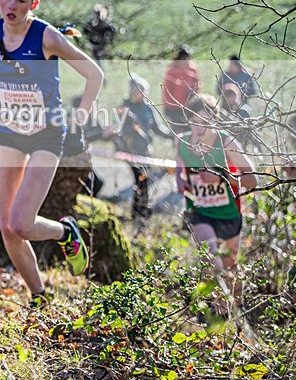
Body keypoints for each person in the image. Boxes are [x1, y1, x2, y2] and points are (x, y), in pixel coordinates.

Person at [0, 0, 103, 307]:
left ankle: (65, 232)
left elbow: (94, 74)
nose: (12, 5)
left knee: (22, 222)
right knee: (7, 228)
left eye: (21, 0)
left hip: (47, 134)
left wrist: (79, 121)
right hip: (10, 133)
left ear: (34, 3)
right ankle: (40, 297)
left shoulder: (46, 37)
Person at [175, 94, 256, 316]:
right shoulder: (181, 141)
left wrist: (222, 178)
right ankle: (220, 312)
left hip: (229, 213)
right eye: (195, 121)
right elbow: (179, 166)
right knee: (212, 259)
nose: (199, 127)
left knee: (231, 264)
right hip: (200, 212)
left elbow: (253, 179)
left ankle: (238, 308)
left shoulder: (226, 142)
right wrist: (180, 181)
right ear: (188, 120)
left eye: (205, 122)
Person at [104, 74, 172, 218]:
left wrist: (172, 135)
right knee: (142, 178)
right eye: (137, 90)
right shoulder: (124, 107)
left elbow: (157, 128)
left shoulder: (149, 108)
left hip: (145, 150)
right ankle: (139, 210)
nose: (140, 94)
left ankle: (140, 209)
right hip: (130, 151)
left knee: (144, 179)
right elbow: (117, 129)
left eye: (143, 91)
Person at [161, 44, 200, 135]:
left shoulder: (193, 68)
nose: (184, 59)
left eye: (186, 57)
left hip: (189, 106)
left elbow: (197, 84)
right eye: (182, 57)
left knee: (190, 131)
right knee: (177, 133)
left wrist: (194, 95)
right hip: (175, 108)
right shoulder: (172, 70)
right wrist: (169, 106)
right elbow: (167, 90)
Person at [83, 3, 115, 68]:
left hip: (101, 49)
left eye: (98, 14)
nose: (97, 16)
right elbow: (85, 32)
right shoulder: (90, 25)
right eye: (96, 13)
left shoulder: (107, 26)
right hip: (91, 48)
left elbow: (111, 34)